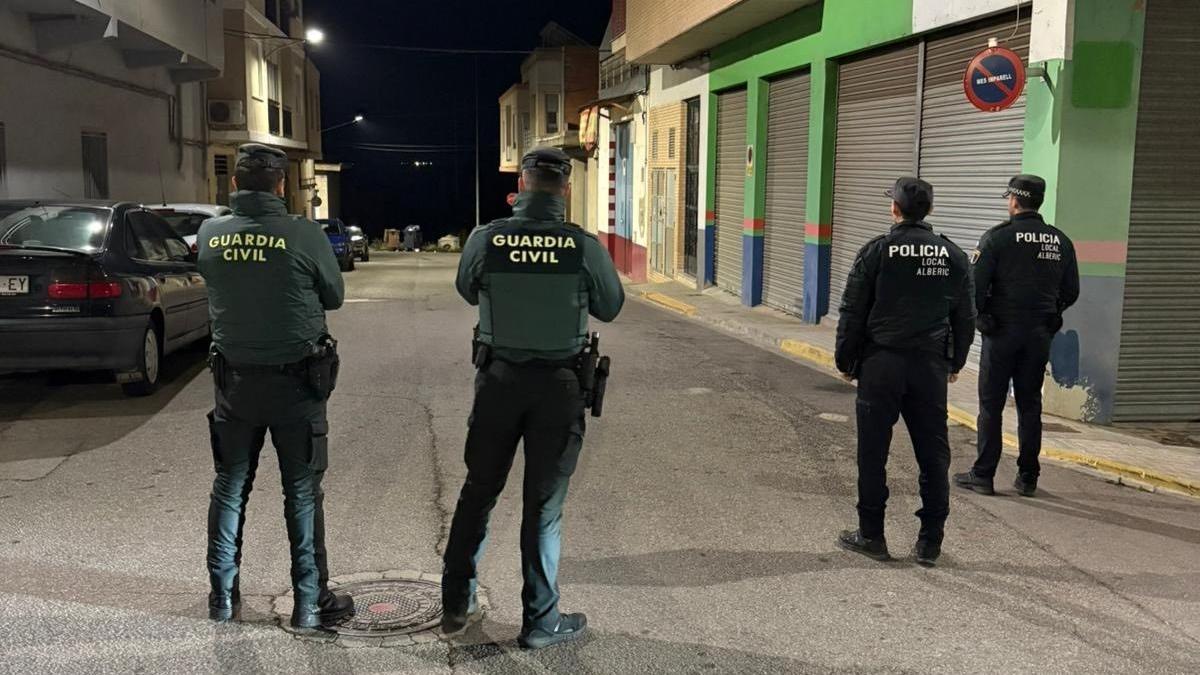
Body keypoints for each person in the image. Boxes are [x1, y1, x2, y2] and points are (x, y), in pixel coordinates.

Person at [442, 147, 624, 649]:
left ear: (521, 185)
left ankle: (455, 608)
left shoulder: (487, 238)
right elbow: (610, 306)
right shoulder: (582, 246)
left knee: (478, 493)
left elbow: (466, 289)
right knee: (543, 507)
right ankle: (541, 622)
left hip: (498, 382)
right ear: (565, 190)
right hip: (559, 389)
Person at [197, 143, 353, 631]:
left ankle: (223, 599)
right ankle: (310, 604)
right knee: (302, 492)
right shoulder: (303, 234)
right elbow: (334, 295)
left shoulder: (210, 233)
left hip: (235, 382)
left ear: (234, 184)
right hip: (296, 385)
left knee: (229, 486)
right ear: (281, 186)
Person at [834, 177, 975, 567]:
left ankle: (872, 535)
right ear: (929, 210)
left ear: (894, 208)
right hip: (929, 367)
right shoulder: (953, 255)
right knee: (933, 454)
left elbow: (852, 311)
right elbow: (965, 316)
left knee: (872, 452)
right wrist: (955, 362)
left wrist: (846, 361)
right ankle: (930, 542)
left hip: (881, 364)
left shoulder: (877, 251)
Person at [954, 175, 1079, 497]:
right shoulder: (1060, 241)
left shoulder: (997, 238)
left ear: (1013, 200)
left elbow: (974, 288)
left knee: (991, 405)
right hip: (1039, 334)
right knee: (1030, 404)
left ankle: (983, 475)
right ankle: (1028, 477)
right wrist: (1051, 312)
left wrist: (981, 317)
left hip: (1001, 332)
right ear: (1039, 201)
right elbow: (1071, 291)